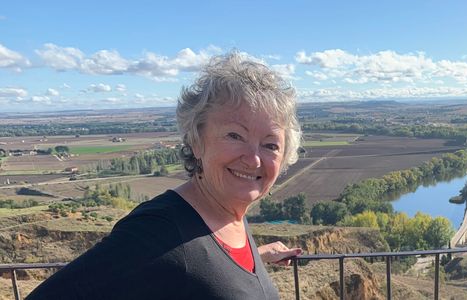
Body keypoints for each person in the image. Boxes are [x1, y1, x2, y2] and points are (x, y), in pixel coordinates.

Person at [27, 52, 303, 300]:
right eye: (235, 135)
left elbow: (203, 272)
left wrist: (259, 255)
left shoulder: (227, 218)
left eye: (270, 145)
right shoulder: (157, 231)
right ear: (196, 141)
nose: (254, 158)